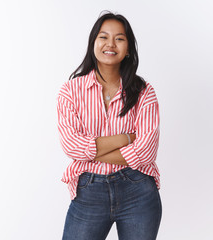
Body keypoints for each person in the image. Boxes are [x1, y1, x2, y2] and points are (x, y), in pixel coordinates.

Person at [57, 11, 162, 240]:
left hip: (138, 190)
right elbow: (71, 147)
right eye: (103, 37)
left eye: (119, 38)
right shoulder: (71, 92)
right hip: (88, 191)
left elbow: (146, 152)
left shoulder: (144, 92)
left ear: (128, 49)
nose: (110, 44)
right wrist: (126, 138)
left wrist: (89, 152)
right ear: (93, 42)